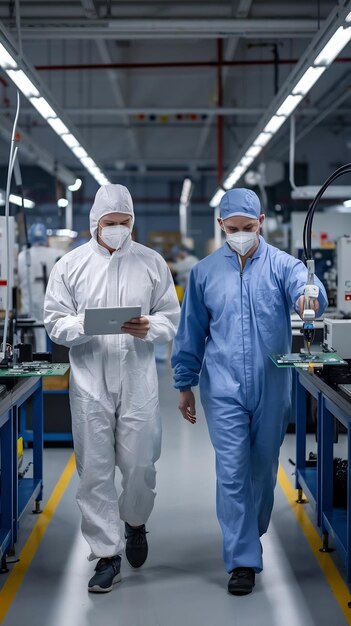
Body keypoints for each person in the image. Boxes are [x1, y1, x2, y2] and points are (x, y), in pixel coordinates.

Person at [171, 188, 328, 596]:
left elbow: (307, 289)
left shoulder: (281, 265)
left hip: (271, 384)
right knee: (232, 471)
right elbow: (191, 333)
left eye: (248, 227)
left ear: (260, 221)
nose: (241, 234)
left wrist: (311, 297)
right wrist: (184, 382)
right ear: (221, 226)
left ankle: (251, 530)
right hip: (222, 387)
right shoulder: (204, 273)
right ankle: (242, 560)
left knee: (261, 468)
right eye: (233, 228)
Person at [44, 184, 180, 593]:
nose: (119, 230)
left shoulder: (152, 263)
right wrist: (84, 324)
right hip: (89, 381)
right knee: (94, 471)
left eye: (125, 223)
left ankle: (135, 523)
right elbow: (54, 320)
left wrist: (149, 327)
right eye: (111, 223)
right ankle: (106, 554)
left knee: (140, 464)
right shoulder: (70, 265)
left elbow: (170, 316)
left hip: (137, 377)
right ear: (95, 224)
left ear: (133, 222)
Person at [17, 223, 62, 352]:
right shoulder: (58, 253)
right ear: (46, 238)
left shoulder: (23, 256)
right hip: (55, 303)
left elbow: (19, 281)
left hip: (31, 308)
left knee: (36, 345)